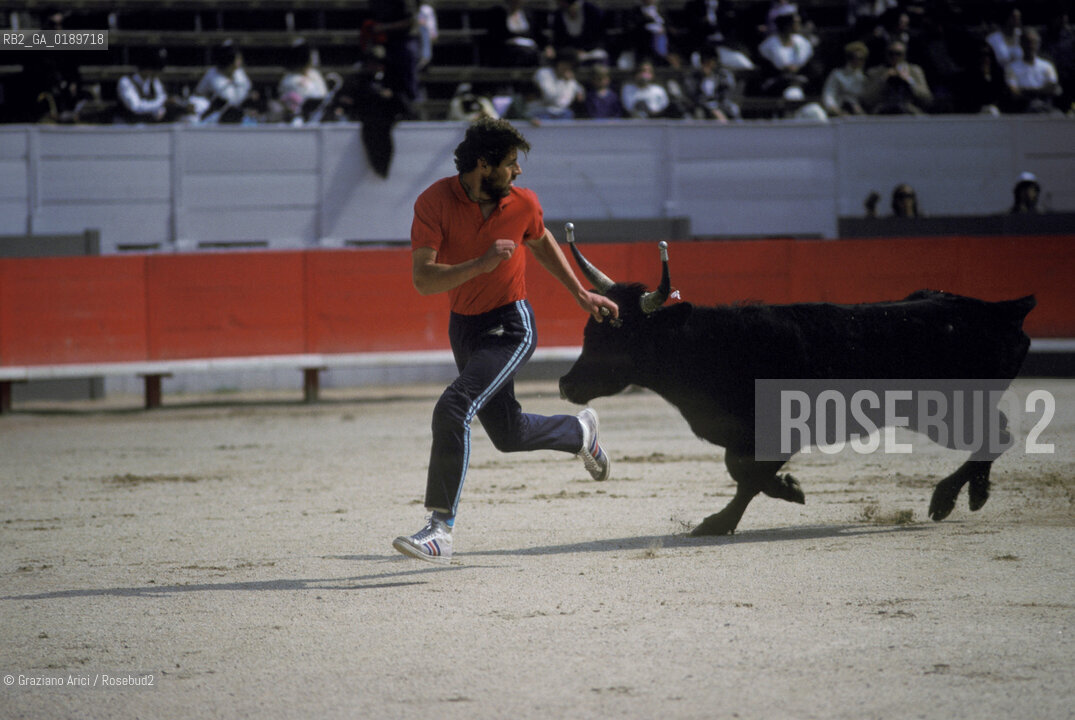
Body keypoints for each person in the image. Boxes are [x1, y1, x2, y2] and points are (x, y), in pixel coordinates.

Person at [394, 118, 619, 564]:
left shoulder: (522, 202)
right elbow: (423, 279)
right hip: (465, 325)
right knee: (508, 433)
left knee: (454, 406)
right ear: (484, 165)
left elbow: (541, 239)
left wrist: (580, 293)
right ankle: (580, 432)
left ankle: (440, 529)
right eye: (511, 164)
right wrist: (480, 264)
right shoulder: (433, 201)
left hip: (511, 324)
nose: (518, 173)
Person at [116, 48, 192, 123]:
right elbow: (136, 107)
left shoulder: (154, 81)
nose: (156, 73)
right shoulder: (126, 82)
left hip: (148, 123)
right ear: (147, 69)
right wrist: (162, 103)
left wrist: (161, 109)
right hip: (126, 124)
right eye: (154, 70)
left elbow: (161, 98)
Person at [864, 40, 932, 114]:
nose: (894, 57)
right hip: (883, 111)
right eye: (891, 54)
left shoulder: (914, 71)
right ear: (886, 54)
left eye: (898, 54)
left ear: (904, 55)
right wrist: (882, 80)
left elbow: (927, 98)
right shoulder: (875, 72)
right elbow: (867, 100)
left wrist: (909, 80)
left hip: (910, 111)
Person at [194, 42, 255, 123]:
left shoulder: (240, 73)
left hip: (240, 115)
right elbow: (199, 93)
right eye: (238, 59)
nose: (240, 61)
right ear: (229, 60)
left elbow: (247, 90)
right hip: (216, 117)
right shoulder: (212, 74)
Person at [1005, 28, 1063, 114]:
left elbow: (1052, 88)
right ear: (1021, 44)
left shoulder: (1047, 66)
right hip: (1022, 110)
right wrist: (1040, 91)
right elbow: (1014, 93)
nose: (1030, 46)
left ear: (1038, 44)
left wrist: (1026, 91)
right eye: (1027, 42)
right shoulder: (1011, 68)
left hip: (1045, 109)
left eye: (1033, 42)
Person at [548, 0, 608, 66]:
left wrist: (585, 50)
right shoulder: (558, 15)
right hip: (569, 51)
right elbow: (558, 39)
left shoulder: (591, 11)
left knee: (600, 56)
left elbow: (599, 34)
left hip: (590, 49)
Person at [533, 49, 586, 119]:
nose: (566, 68)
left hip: (563, 113)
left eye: (570, 66)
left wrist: (579, 92)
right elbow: (550, 98)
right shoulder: (544, 74)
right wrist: (565, 82)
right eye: (564, 64)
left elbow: (578, 91)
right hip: (542, 111)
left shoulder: (570, 80)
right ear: (558, 63)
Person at [821, 41, 869, 116]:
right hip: (839, 113)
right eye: (853, 57)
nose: (856, 61)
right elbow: (829, 95)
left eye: (860, 58)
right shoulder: (837, 75)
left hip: (859, 115)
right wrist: (836, 110)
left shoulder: (864, 78)